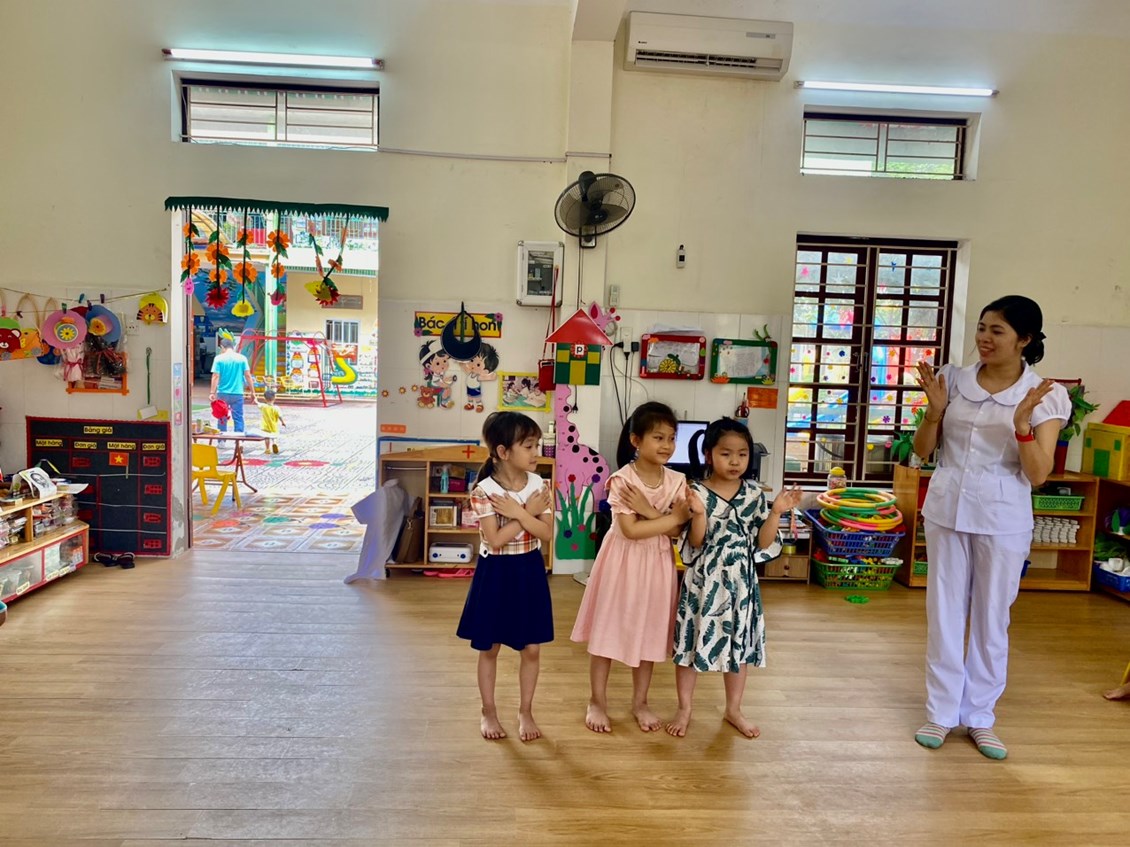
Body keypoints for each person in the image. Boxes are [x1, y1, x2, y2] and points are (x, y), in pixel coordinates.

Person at [912, 295, 1070, 760]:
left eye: (997, 331)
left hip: (1002, 519)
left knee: (990, 619)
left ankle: (980, 717)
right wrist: (934, 412)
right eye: (982, 327)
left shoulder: (1044, 395)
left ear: (1024, 340)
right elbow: (923, 450)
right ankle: (941, 713)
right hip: (946, 510)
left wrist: (1022, 427)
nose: (984, 337)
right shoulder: (953, 379)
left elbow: (1038, 473)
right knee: (944, 614)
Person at [666, 418, 802, 739]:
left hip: (741, 583)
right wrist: (699, 513)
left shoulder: (754, 493)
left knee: (738, 648)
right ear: (709, 454)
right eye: (726, 453)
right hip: (704, 581)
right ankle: (684, 708)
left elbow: (763, 544)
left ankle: (734, 709)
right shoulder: (695, 492)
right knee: (690, 644)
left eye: (742, 454)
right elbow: (696, 541)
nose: (735, 461)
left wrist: (776, 512)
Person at [570, 401, 693, 733]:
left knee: (649, 633)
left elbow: (678, 531)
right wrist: (669, 519)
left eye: (671, 438)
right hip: (621, 562)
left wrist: (650, 513)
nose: (666, 445)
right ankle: (597, 701)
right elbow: (630, 530)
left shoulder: (678, 481)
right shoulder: (622, 480)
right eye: (658, 437)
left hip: (657, 564)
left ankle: (641, 702)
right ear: (636, 440)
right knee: (606, 632)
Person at [456, 412, 554, 742]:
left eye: (536, 445)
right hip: (495, 573)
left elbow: (547, 533)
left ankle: (526, 711)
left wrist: (519, 513)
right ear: (503, 451)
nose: (536, 452)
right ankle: (488, 711)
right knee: (490, 647)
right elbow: (495, 540)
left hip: (529, 570)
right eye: (529, 446)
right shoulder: (484, 491)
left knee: (532, 649)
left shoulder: (540, 485)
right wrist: (525, 513)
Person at [210, 335, 256, 432]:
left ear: (222, 347)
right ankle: (239, 438)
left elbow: (215, 376)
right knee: (238, 417)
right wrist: (253, 392)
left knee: (222, 417)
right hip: (237, 393)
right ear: (232, 347)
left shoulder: (218, 359)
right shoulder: (242, 358)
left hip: (222, 393)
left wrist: (212, 392)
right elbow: (248, 375)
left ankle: (221, 438)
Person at [461, 343, 499, 413]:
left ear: (485, 370)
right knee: (469, 396)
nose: (473, 365)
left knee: (477, 397)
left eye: (478, 364)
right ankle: (470, 404)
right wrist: (461, 363)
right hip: (469, 387)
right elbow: (465, 368)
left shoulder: (478, 377)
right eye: (472, 360)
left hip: (475, 389)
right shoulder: (470, 372)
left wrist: (491, 376)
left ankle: (479, 404)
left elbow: (488, 377)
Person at [258, 389, 286, 454]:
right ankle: (274, 443)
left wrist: (256, 400)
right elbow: (280, 416)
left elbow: (258, 404)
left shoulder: (263, 406)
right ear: (274, 398)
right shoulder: (276, 408)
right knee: (274, 436)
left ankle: (267, 449)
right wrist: (282, 422)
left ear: (265, 398)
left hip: (265, 426)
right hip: (274, 425)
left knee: (266, 437)